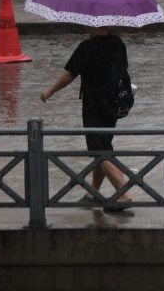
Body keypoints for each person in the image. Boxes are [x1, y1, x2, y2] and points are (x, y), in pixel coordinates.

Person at [40, 27, 133, 211]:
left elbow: (69, 74)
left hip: (94, 105)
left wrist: (49, 91)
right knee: (103, 145)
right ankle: (93, 193)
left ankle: (124, 194)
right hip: (115, 103)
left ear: (93, 25)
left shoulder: (87, 47)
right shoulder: (118, 44)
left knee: (99, 150)